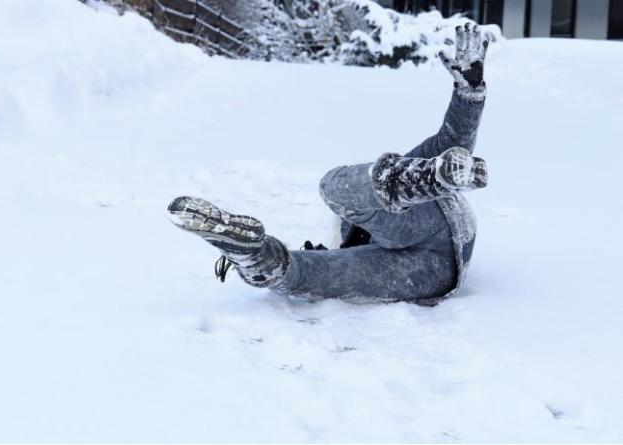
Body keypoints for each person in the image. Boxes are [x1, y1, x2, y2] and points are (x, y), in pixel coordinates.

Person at [168, 24, 489, 306]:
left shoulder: (371, 211)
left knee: (337, 189)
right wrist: (470, 92)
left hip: (438, 220)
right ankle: (254, 259)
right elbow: (454, 148)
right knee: (314, 273)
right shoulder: (355, 244)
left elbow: (450, 145)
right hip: (431, 270)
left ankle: (413, 181)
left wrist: (469, 94)